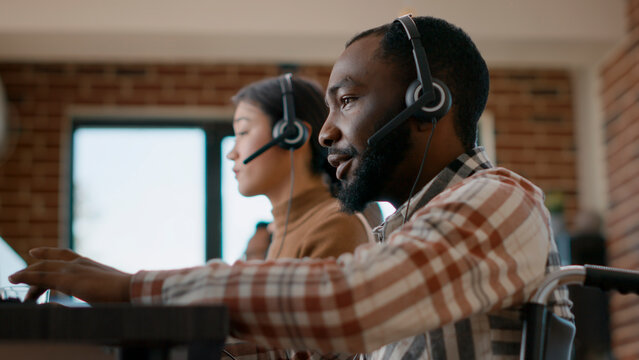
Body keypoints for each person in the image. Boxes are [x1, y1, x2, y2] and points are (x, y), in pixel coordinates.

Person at [10, 15, 572, 359]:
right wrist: (131, 329)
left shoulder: (500, 200)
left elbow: (350, 303)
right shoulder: (397, 233)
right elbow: (309, 347)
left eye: (346, 101)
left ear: (428, 104)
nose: (325, 131)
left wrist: (136, 289)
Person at [227, 75, 376, 261]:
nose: (231, 154)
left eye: (243, 132)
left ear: (291, 134)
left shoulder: (333, 225)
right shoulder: (277, 234)